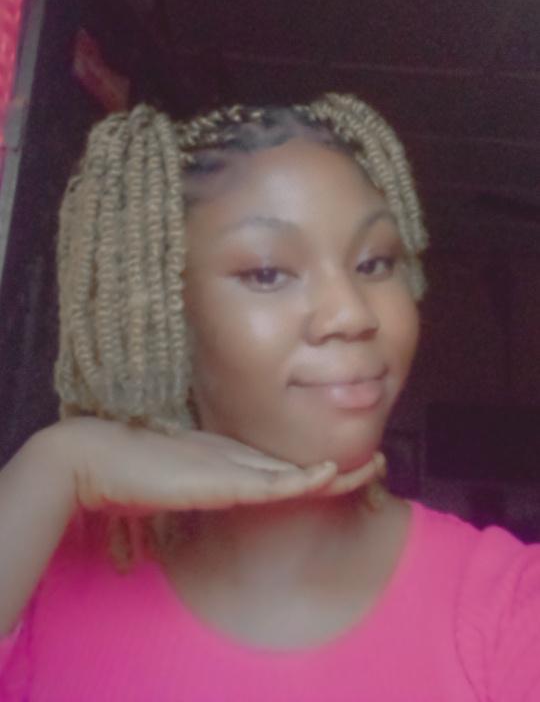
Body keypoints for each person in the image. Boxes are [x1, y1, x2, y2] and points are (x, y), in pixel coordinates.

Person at [0, 91, 538, 701]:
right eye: (267, 273)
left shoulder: (510, 608)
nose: (352, 314)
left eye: (374, 263)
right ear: (168, 317)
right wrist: (58, 460)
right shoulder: (36, 568)